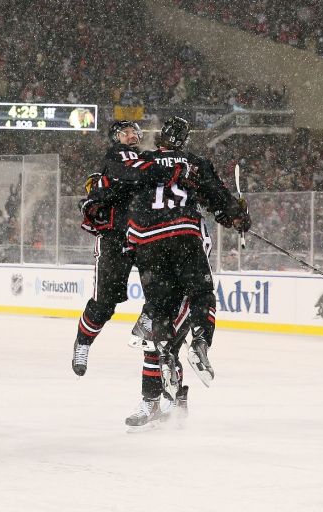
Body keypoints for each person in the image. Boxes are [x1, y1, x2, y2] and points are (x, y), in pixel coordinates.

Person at [121, 116, 251, 429]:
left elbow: (121, 190)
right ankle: (170, 391)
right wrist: (235, 215)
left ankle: (167, 401)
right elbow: (218, 200)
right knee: (169, 329)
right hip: (183, 256)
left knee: (159, 337)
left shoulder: (146, 164)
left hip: (152, 249)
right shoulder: (193, 170)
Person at [72, 120, 192, 376]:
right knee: (104, 304)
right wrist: (173, 170)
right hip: (115, 239)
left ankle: (158, 349)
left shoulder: (143, 158)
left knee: (161, 294)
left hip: (143, 235)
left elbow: (146, 178)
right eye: (126, 132)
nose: (132, 136)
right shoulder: (119, 156)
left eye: (134, 132)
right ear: (116, 137)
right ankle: (82, 343)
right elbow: (135, 174)